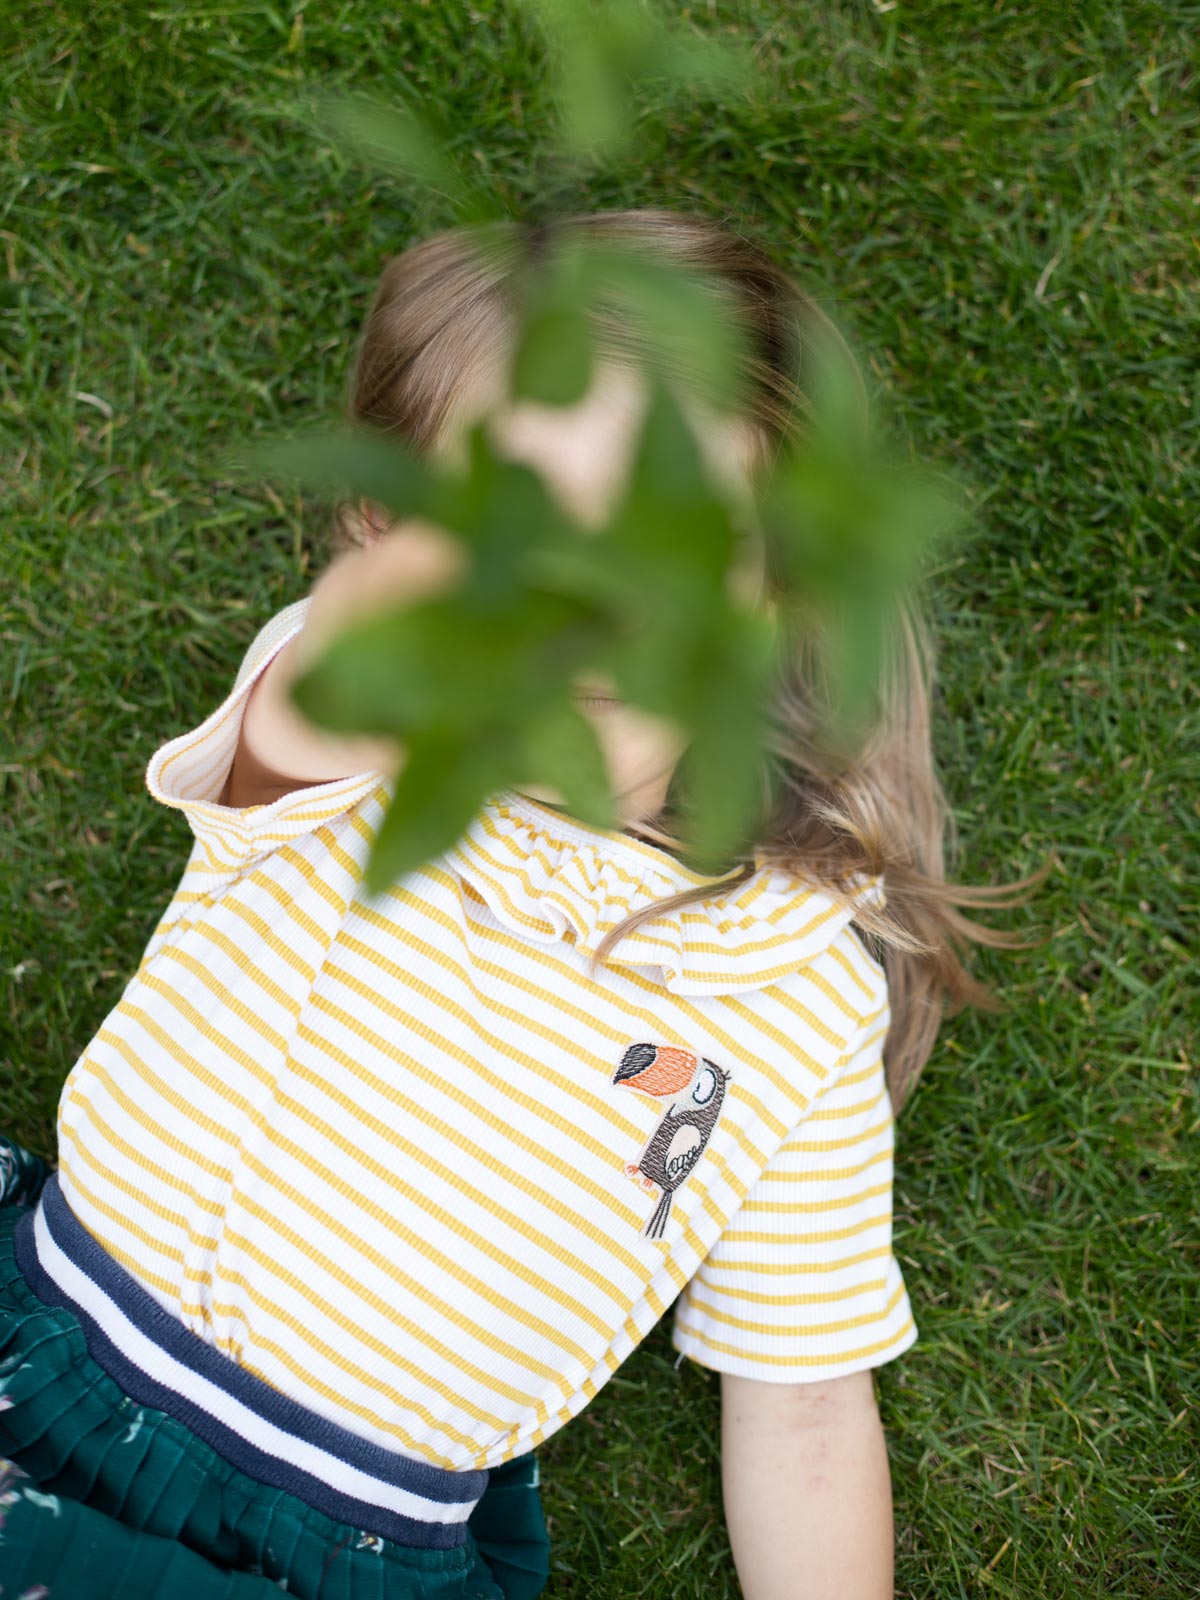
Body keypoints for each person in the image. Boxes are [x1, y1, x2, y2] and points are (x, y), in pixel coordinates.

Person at [0, 208, 1047, 1599]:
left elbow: (801, 1409)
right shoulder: (363, 751)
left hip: (342, 1552)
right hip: (38, 1349)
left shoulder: (803, 993)